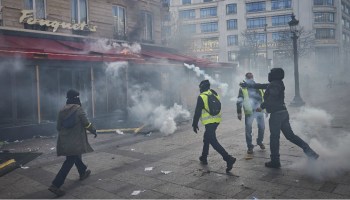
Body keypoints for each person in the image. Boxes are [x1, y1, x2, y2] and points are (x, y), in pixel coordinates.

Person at [240, 68, 319, 168]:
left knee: (274, 138)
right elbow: (261, 85)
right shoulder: (276, 83)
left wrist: (262, 106)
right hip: (283, 113)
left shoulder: (275, 84)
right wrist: (248, 85)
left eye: (271, 73)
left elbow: (272, 98)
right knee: (290, 136)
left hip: (277, 115)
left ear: (275, 75)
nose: (269, 74)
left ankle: (275, 161)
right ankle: (310, 152)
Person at [48, 89, 97, 197]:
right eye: (78, 97)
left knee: (74, 156)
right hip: (76, 141)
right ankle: (55, 185)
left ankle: (82, 172)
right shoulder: (79, 109)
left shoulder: (61, 111)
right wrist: (94, 131)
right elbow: (87, 124)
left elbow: (58, 127)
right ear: (76, 98)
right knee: (70, 161)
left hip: (65, 142)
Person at [192, 80, 236, 173]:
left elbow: (197, 112)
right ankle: (204, 157)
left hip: (209, 122)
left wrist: (194, 124)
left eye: (200, 87)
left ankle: (228, 158)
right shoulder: (214, 93)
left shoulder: (202, 97)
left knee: (213, 141)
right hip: (217, 120)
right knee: (206, 138)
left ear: (202, 87)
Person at [237, 72, 266, 154]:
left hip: (259, 110)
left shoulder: (258, 86)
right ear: (246, 79)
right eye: (248, 77)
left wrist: (265, 109)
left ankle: (260, 141)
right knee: (248, 130)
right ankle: (250, 146)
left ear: (253, 78)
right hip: (249, 111)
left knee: (262, 127)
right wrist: (239, 112)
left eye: (251, 77)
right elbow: (239, 100)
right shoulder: (243, 88)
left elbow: (263, 98)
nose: (250, 79)